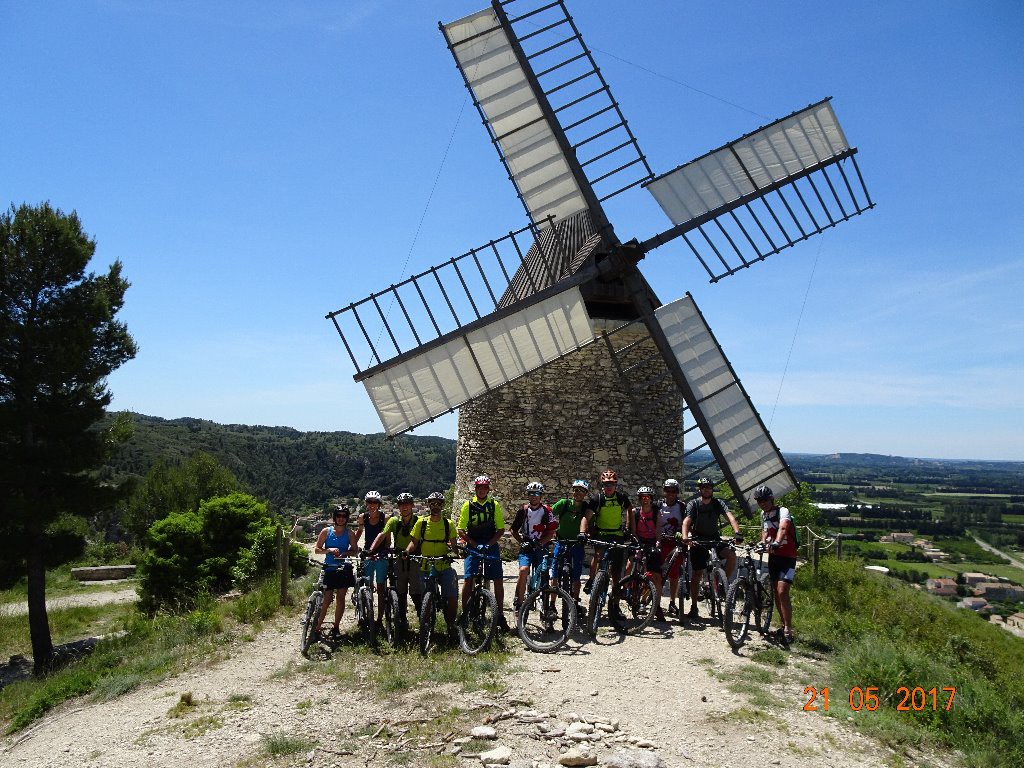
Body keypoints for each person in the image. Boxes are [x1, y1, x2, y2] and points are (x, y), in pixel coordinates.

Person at [681, 477, 743, 619]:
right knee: (697, 573)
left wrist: (737, 532)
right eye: (703, 487)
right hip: (698, 540)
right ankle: (694, 606)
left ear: (712, 489)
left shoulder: (718, 503)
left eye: (708, 487)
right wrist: (685, 536)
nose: (706, 489)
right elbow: (686, 522)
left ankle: (722, 584)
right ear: (699, 490)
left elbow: (730, 517)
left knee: (731, 555)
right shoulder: (694, 504)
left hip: (714, 539)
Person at [457, 475, 509, 631]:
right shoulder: (468, 505)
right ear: (475, 489)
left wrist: (488, 544)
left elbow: (500, 529)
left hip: (490, 543)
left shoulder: (494, 505)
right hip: (473, 544)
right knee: (468, 579)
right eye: (479, 487)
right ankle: (464, 613)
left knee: (498, 579)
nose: (482, 490)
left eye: (484, 488)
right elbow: (460, 528)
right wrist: (472, 544)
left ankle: (499, 614)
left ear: (488, 489)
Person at [407, 492, 459, 644]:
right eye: (432, 504)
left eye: (438, 504)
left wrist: (460, 551)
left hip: (443, 564)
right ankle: (427, 625)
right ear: (428, 505)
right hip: (426, 564)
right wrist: (406, 551)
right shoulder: (421, 523)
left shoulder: (447, 524)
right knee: (426, 598)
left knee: (452, 597)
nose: (435, 507)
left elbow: (454, 545)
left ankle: (451, 625)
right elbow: (414, 543)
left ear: (442, 506)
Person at [368, 491, 424, 627]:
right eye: (401, 505)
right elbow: (382, 535)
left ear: (412, 505)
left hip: (415, 558)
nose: (404, 507)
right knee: (400, 591)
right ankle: (402, 620)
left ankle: (422, 620)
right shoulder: (394, 521)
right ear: (398, 506)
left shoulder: (419, 521)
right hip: (400, 558)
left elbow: (417, 540)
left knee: (416, 592)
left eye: (407, 504)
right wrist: (371, 550)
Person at [755, 485, 796, 643]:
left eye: (765, 500)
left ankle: (788, 630)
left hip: (788, 557)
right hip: (773, 557)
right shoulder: (763, 514)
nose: (762, 503)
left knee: (782, 591)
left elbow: (783, 527)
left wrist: (778, 542)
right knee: (775, 591)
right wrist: (762, 543)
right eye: (759, 501)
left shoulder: (783, 511)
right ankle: (783, 623)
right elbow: (765, 531)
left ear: (771, 499)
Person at [511, 482, 557, 615]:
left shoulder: (547, 511)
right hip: (526, 547)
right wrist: (521, 542)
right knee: (523, 570)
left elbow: (551, 533)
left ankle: (545, 606)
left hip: (540, 547)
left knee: (543, 574)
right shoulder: (523, 510)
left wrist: (540, 543)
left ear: (541, 495)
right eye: (531, 493)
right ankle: (519, 603)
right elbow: (513, 530)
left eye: (537, 494)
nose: (534, 496)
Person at [585, 469, 633, 597]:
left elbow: (630, 508)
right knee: (597, 555)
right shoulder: (598, 499)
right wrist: (583, 531)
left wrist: (628, 527)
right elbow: (587, 516)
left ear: (615, 485)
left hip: (617, 535)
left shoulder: (621, 498)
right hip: (601, 534)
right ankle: (592, 580)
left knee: (616, 571)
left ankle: (615, 602)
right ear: (602, 485)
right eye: (606, 484)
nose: (609, 487)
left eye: (611, 484)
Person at [313, 505, 357, 638]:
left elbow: (355, 550)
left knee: (340, 599)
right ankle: (317, 627)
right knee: (326, 600)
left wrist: (344, 553)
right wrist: (329, 550)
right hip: (329, 567)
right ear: (334, 517)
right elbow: (317, 549)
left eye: (344, 516)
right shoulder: (326, 531)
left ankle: (336, 627)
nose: (341, 518)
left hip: (343, 568)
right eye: (339, 515)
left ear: (347, 518)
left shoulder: (349, 533)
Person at [549, 479, 593, 609]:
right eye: (576, 490)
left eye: (581, 491)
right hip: (561, 542)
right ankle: (552, 604)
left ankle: (574, 602)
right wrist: (552, 528)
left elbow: (591, 523)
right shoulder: (564, 503)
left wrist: (588, 533)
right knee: (555, 573)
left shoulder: (586, 508)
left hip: (577, 544)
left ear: (585, 493)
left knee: (576, 575)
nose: (578, 493)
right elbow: (549, 514)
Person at [354, 490, 389, 623]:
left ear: (379, 504)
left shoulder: (384, 518)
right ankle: (367, 613)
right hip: (367, 553)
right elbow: (359, 532)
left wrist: (386, 549)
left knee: (381, 588)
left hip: (381, 554)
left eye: (375, 502)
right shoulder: (363, 517)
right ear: (366, 503)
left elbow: (387, 537)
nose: (372, 505)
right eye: (370, 502)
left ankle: (379, 618)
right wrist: (352, 546)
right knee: (367, 586)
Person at [633, 486, 666, 623]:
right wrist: (636, 546)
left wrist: (658, 542)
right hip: (639, 541)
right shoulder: (635, 512)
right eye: (642, 497)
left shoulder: (656, 513)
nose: (645, 500)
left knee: (657, 577)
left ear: (651, 499)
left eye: (647, 497)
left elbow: (658, 531)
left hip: (652, 543)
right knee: (631, 566)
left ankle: (656, 606)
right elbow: (634, 531)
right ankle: (628, 594)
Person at [658, 478, 686, 616]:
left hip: (675, 544)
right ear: (664, 491)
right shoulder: (658, 505)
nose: (670, 493)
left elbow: (686, 523)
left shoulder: (681, 507)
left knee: (674, 574)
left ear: (677, 492)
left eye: (673, 491)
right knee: (656, 573)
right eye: (668, 490)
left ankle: (672, 602)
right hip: (661, 543)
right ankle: (654, 602)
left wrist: (682, 534)